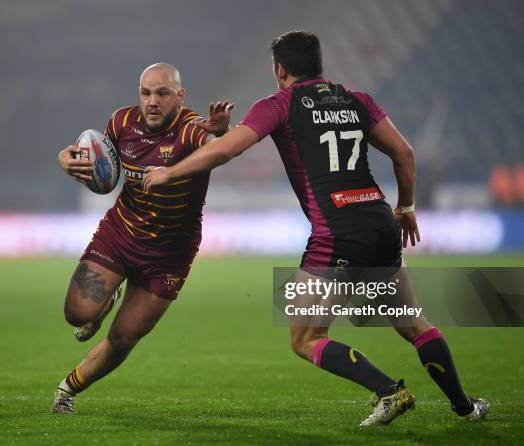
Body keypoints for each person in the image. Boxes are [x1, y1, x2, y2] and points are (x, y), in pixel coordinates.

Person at [143, 31, 489, 425]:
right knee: (413, 324)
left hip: (336, 235)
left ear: (280, 69)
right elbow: (404, 153)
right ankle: (465, 408)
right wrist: (406, 207)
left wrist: (169, 173)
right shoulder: (357, 100)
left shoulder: (280, 104)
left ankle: (389, 392)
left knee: (306, 338)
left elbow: (226, 149)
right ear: (319, 64)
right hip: (380, 224)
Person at [52, 63, 233, 413]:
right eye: (146, 92)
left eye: (162, 94)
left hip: (169, 255)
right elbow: (93, 158)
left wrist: (222, 135)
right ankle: (103, 302)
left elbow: (218, 149)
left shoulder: (192, 129)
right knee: (76, 314)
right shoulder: (121, 122)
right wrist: (65, 159)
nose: (152, 101)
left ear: (180, 97)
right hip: (120, 233)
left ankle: (66, 390)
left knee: (123, 338)